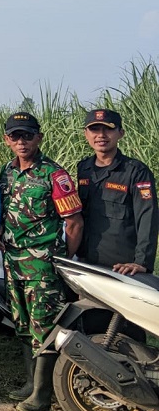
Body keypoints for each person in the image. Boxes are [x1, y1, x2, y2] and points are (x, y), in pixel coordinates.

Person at [0, 111, 84, 411]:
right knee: (22, 324)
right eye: (15, 136)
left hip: (43, 265)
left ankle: (42, 395)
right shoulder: (6, 172)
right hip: (13, 263)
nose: (21, 142)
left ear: (39, 138)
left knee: (44, 327)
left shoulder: (53, 174)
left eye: (27, 135)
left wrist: (61, 259)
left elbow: (73, 222)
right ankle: (30, 383)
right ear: (8, 140)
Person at [76, 108, 158, 284]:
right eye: (95, 129)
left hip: (121, 268)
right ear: (86, 134)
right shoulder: (83, 169)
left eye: (108, 129)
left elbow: (147, 217)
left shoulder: (136, 172)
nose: (101, 135)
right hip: (86, 264)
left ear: (120, 133)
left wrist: (141, 262)